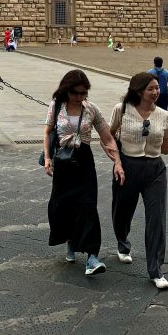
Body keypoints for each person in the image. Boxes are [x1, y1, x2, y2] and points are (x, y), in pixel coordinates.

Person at [98, 72, 168, 290]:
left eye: (157, 88)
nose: (156, 92)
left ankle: (156, 269)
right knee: (122, 212)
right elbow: (108, 138)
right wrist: (117, 162)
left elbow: (166, 148)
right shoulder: (121, 109)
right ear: (139, 90)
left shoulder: (165, 116)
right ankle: (123, 244)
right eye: (150, 88)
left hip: (155, 170)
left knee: (157, 217)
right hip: (127, 167)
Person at [41, 69, 111, 277]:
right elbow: (47, 132)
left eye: (83, 93)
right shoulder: (56, 106)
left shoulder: (91, 109)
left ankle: (92, 257)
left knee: (88, 205)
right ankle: (71, 240)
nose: (79, 97)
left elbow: (107, 135)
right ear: (66, 90)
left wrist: (116, 159)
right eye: (75, 93)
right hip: (63, 161)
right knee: (63, 205)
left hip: (84, 160)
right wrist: (47, 158)